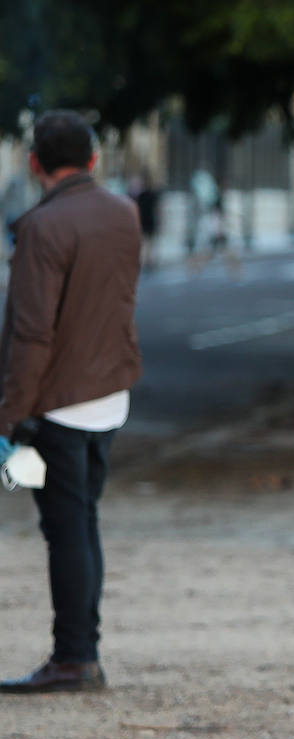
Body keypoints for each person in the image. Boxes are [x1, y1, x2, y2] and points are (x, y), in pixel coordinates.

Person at [0, 110, 142, 693]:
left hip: (57, 401)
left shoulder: (42, 226)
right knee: (83, 521)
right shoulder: (124, 213)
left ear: (35, 164)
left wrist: (9, 414)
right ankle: (82, 650)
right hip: (110, 394)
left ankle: (74, 656)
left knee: (66, 529)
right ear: (92, 160)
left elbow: (32, 333)